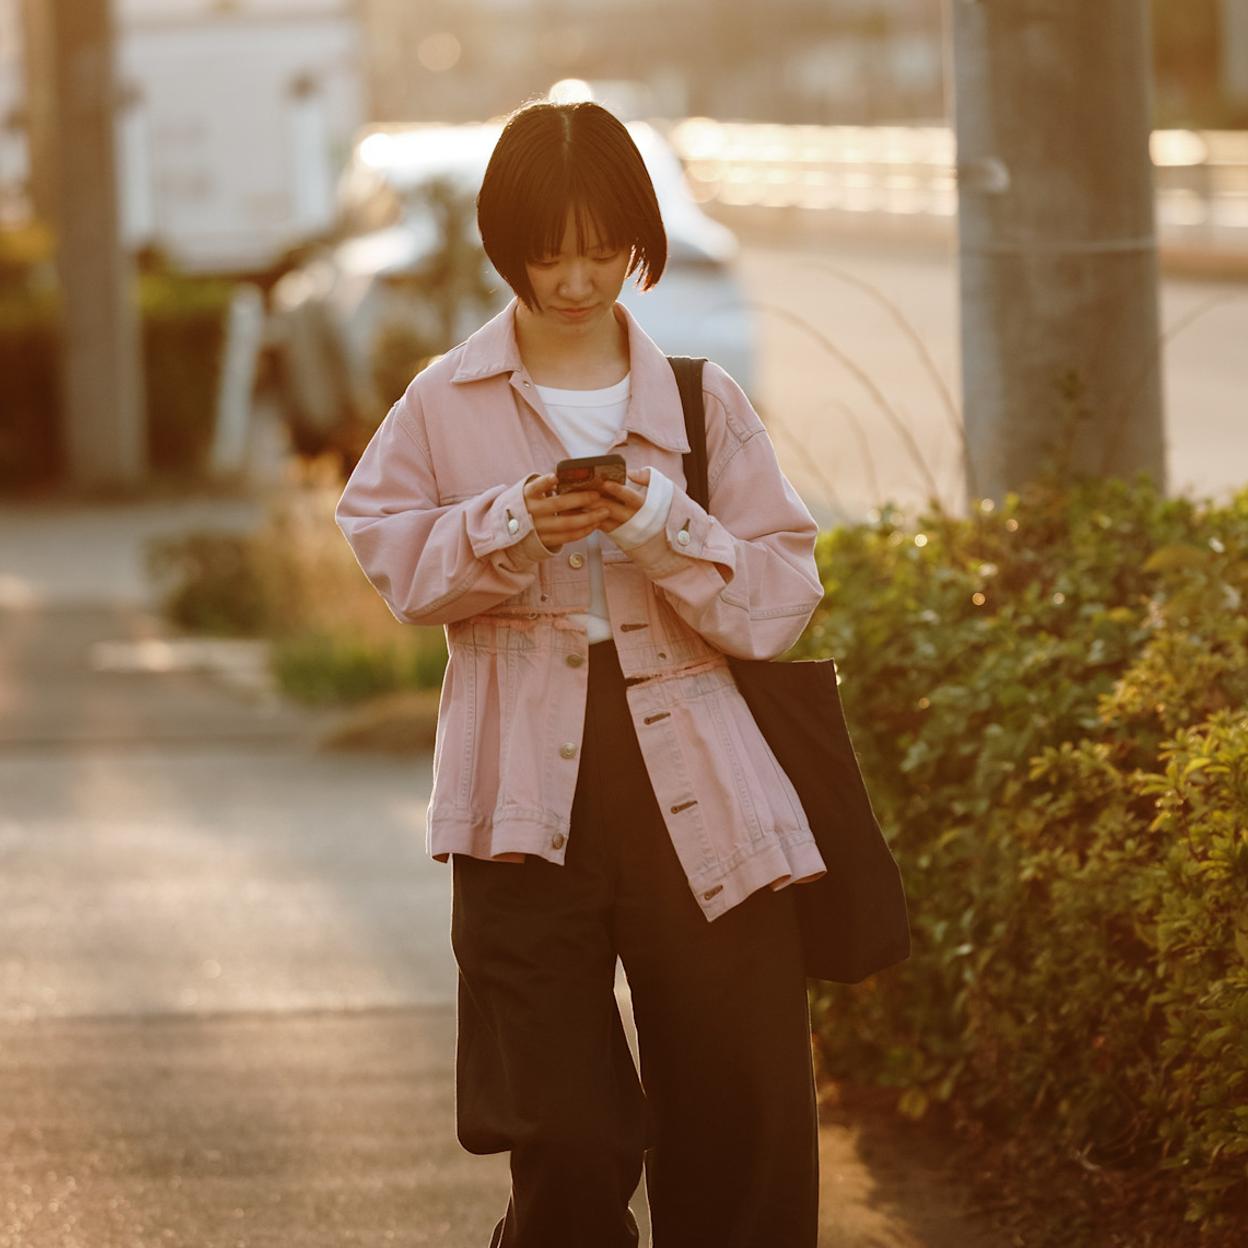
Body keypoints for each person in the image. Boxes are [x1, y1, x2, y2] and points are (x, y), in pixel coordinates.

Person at [334, 98, 828, 1248]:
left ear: (640, 240)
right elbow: (396, 562)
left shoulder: (706, 401)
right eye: (546, 252)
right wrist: (517, 523)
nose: (575, 279)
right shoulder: (442, 400)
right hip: (519, 797)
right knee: (561, 1139)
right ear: (505, 248)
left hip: (700, 784)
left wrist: (662, 520)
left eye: (602, 249)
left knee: (738, 1126)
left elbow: (783, 598)